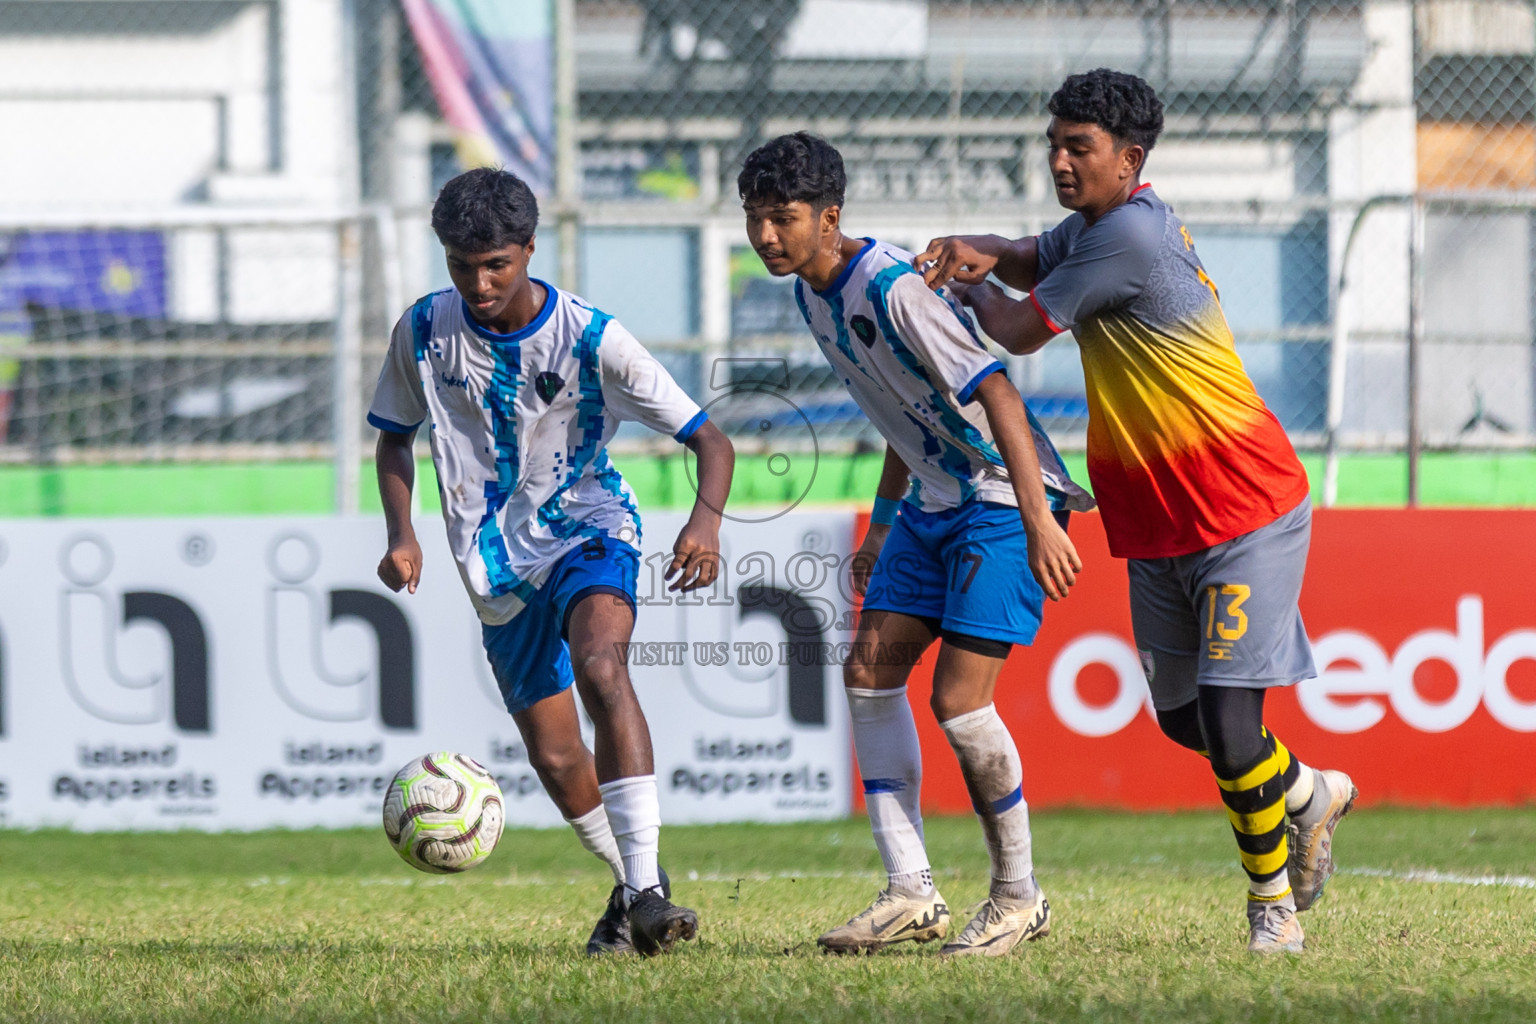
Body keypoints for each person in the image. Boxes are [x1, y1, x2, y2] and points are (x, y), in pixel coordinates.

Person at [918, 68, 1356, 954]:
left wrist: (957, 288)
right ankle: (1310, 792)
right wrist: (985, 243)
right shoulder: (1095, 226)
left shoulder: (1129, 239)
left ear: (1131, 160)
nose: (1060, 161)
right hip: (1159, 516)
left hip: (1240, 504)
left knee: (1233, 729)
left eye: (1078, 148)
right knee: (1184, 720)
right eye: (1055, 145)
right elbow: (1037, 251)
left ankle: (1272, 908)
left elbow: (1017, 326)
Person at [739, 132, 1095, 957]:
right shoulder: (812, 293)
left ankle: (1018, 898)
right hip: (933, 505)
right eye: (755, 219)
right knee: (867, 673)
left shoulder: (893, 292)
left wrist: (1042, 518)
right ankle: (910, 891)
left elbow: (996, 390)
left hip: (1004, 498)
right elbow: (907, 411)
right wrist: (883, 521)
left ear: (830, 219)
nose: (765, 236)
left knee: (960, 704)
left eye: (782, 218)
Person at [368, 167, 734, 957]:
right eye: (462, 266)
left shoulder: (595, 339)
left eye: (496, 263)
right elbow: (393, 434)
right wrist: (402, 533)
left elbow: (709, 437)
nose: (480, 282)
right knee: (557, 753)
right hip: (494, 566)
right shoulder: (424, 331)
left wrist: (704, 523)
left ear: (530, 249)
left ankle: (644, 893)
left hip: (588, 527)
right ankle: (636, 888)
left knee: (603, 666)